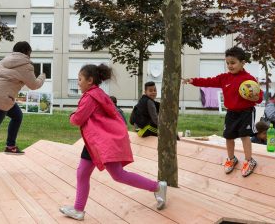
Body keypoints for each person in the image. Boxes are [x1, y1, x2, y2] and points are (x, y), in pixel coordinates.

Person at [59, 64, 167, 221]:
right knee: (82, 173)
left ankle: (157, 186)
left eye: (80, 79)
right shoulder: (98, 93)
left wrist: (71, 115)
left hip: (102, 142)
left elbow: (77, 119)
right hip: (94, 141)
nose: (78, 83)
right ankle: (78, 209)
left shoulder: (90, 96)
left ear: (90, 80)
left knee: (117, 175)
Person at [182, 46, 263, 177]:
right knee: (228, 136)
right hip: (231, 112)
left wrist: (256, 98)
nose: (230, 66)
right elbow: (209, 81)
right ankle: (231, 159)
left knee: (244, 135)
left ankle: (249, 160)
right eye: (228, 63)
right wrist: (193, 81)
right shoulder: (224, 78)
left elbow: (259, 96)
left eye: (233, 63)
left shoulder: (249, 79)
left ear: (243, 63)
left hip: (246, 112)